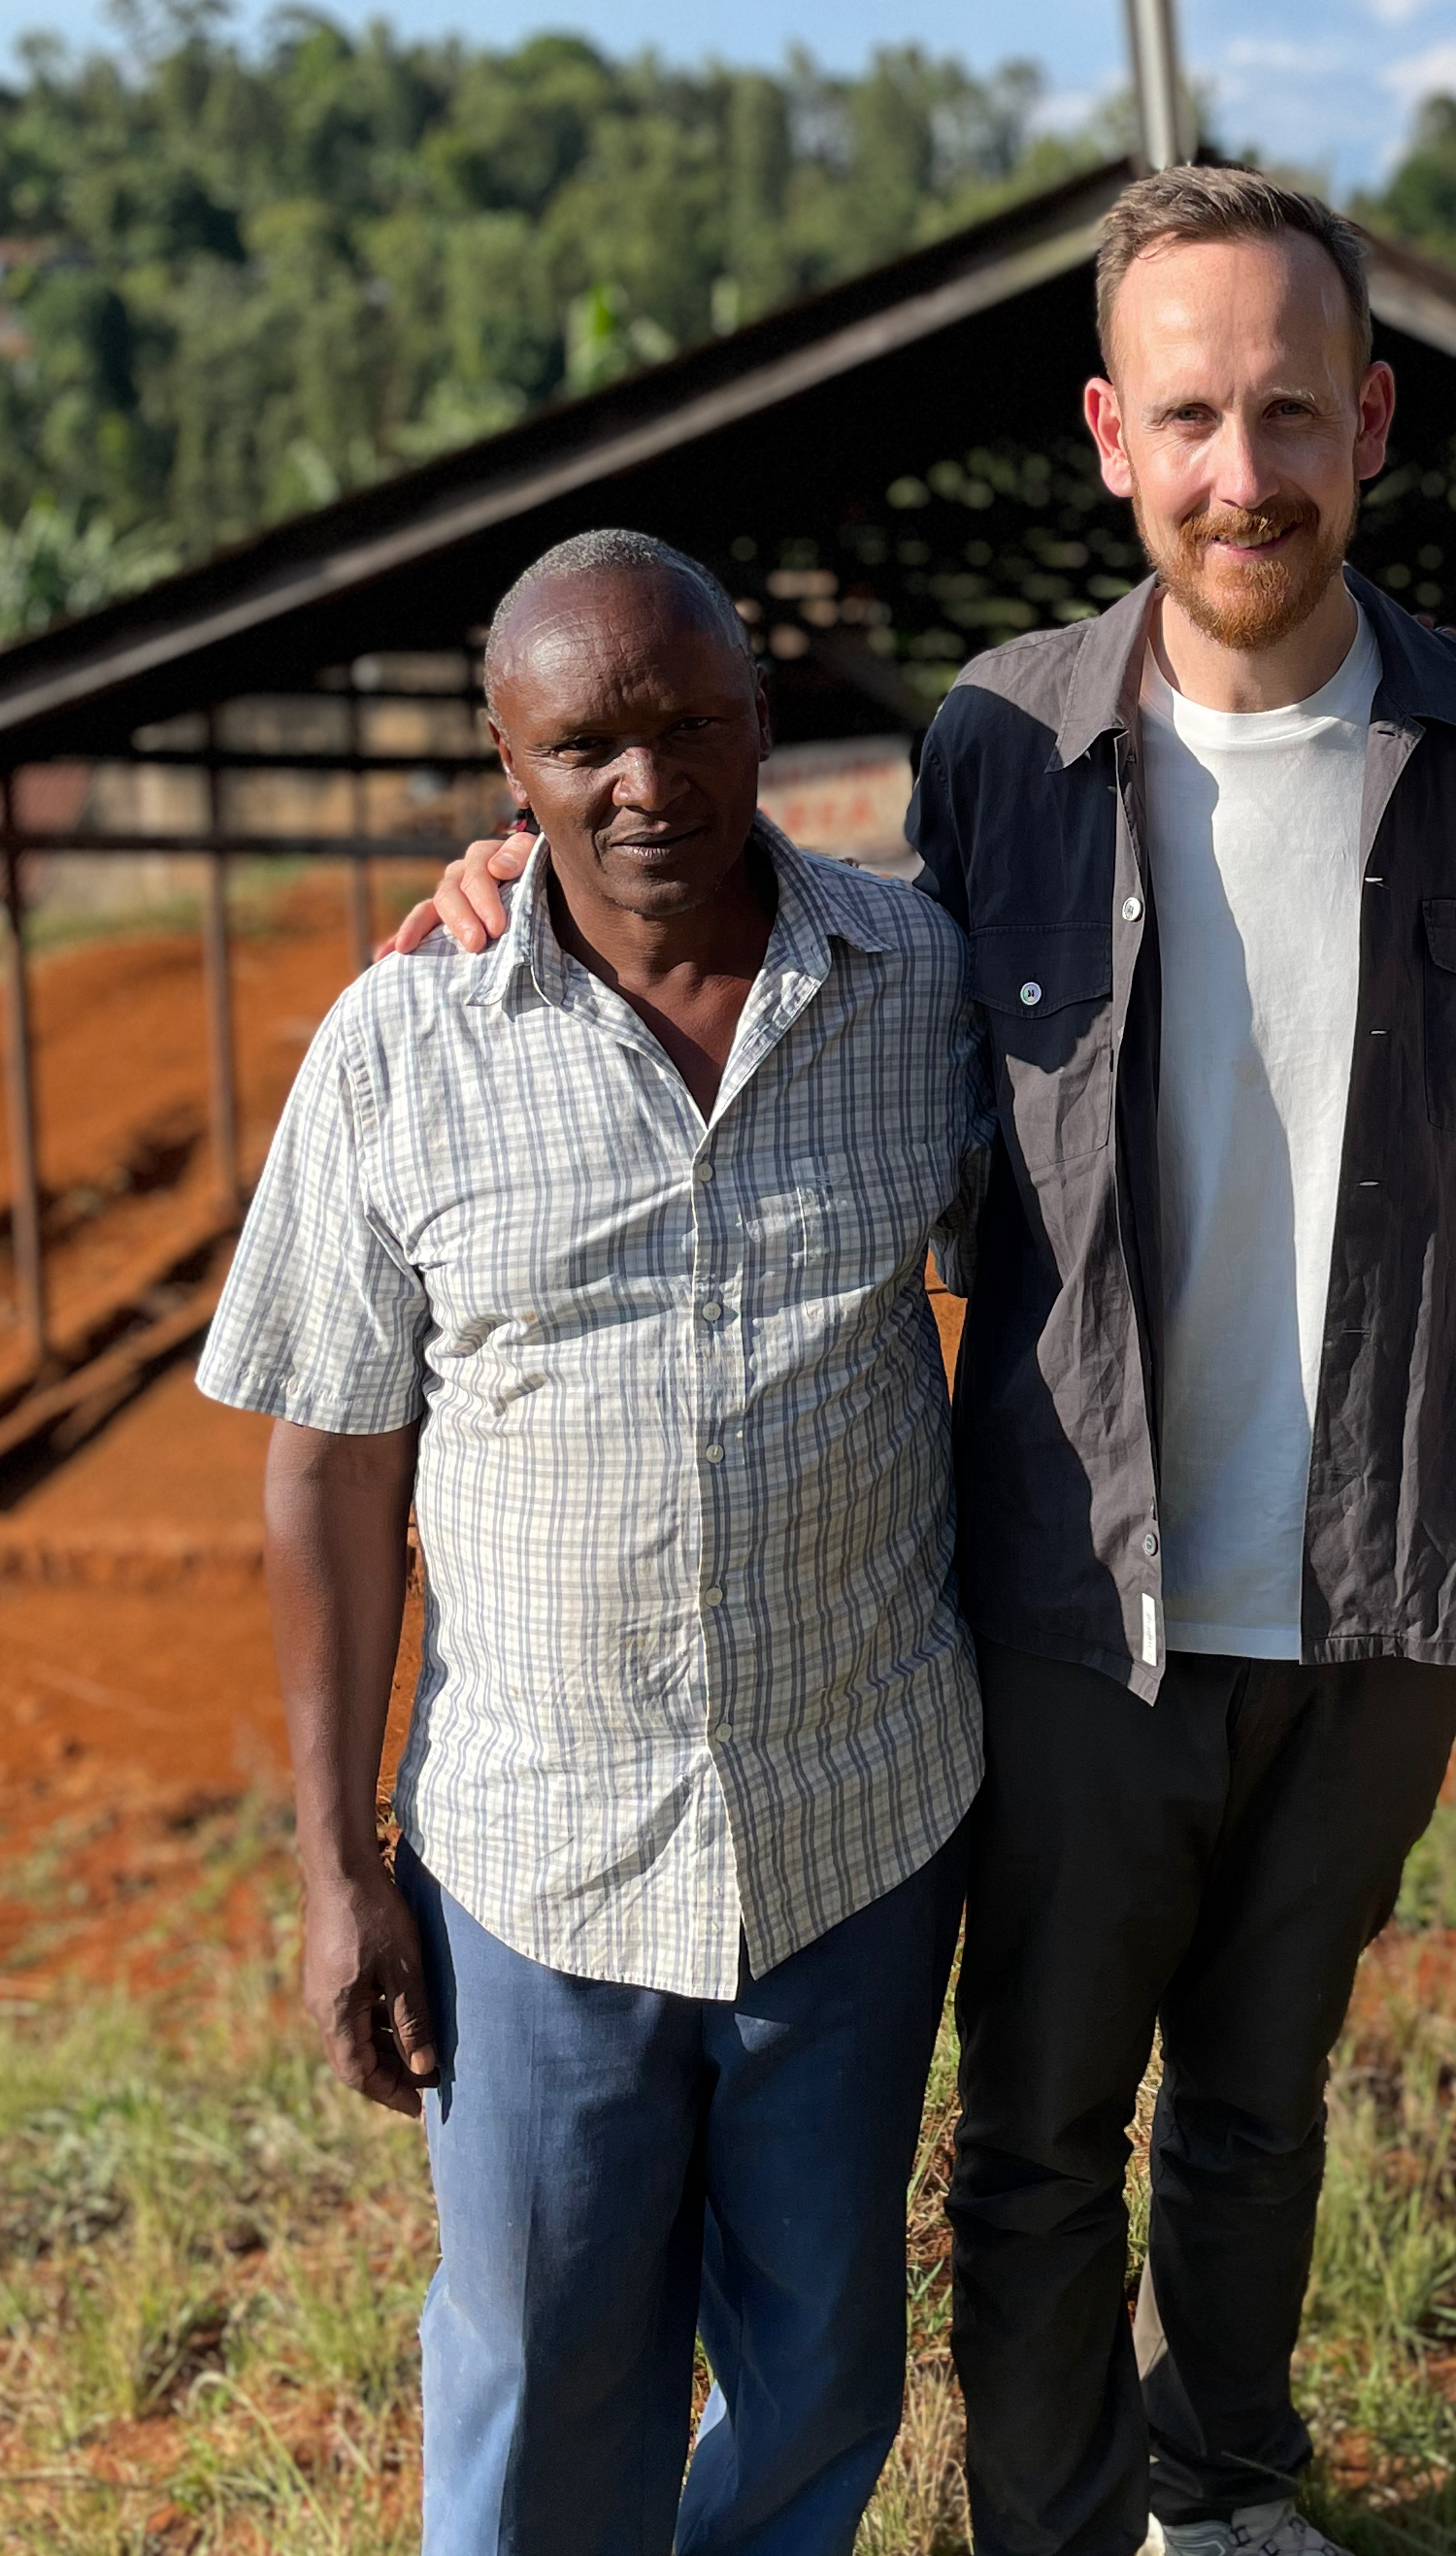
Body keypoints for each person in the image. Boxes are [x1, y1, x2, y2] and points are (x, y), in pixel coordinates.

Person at [391, 170, 1456, 2556]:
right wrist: (522, 883)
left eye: (1290, 407)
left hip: (1383, 1581)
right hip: (1082, 1581)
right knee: (1042, 2124)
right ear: (1109, 433)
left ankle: (1232, 2480)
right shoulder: (1005, 744)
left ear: (1368, 418)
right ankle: (1060, 2527)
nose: (1241, 467)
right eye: (1188, 411)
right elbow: (793, 934)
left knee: (1264, 2093)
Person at [202, 530, 980, 2555]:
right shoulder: (402, 1044)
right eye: (585, 744)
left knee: (824, 2368)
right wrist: (332, 1863)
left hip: (858, 1819)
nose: (646, 783)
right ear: (504, 759)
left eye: (688, 726)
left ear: (760, 723)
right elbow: (330, 1466)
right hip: (535, 1859)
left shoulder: (917, 988)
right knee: (550, 2371)